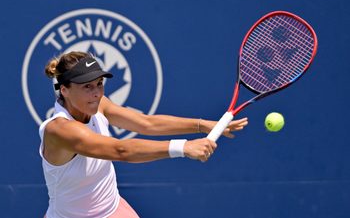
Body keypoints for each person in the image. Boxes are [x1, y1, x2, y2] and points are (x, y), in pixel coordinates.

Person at [39, 51, 248, 218]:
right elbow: (120, 150)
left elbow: (146, 123)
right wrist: (182, 147)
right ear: (64, 89)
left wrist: (203, 125)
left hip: (112, 209)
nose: (96, 93)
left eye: (99, 85)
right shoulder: (59, 130)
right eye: (87, 87)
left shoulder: (97, 104)